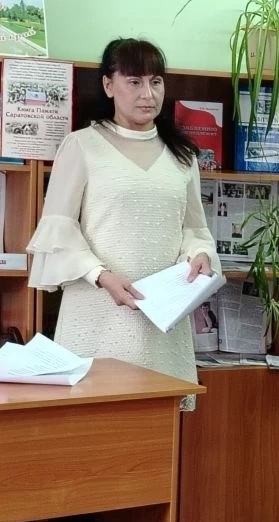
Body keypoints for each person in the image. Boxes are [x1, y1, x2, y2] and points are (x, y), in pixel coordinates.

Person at [27, 38, 220, 409]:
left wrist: (199, 254)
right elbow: (59, 227)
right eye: (134, 82)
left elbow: (195, 229)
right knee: (96, 423)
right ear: (108, 85)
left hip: (162, 322)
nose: (148, 94)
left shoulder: (182, 156)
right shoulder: (82, 146)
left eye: (156, 82)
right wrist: (100, 275)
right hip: (97, 311)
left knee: (158, 427)